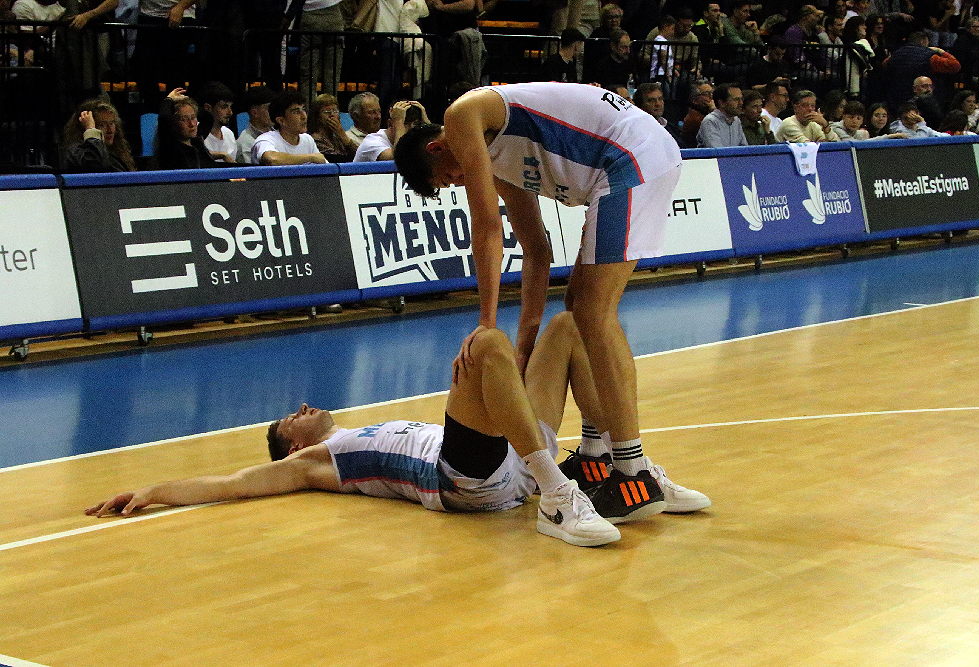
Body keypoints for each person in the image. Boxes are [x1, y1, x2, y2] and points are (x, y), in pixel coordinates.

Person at [84, 314, 684, 547]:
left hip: (508, 460)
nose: (301, 406)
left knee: (577, 323)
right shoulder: (317, 462)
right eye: (291, 417)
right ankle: (561, 494)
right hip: (463, 479)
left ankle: (605, 465)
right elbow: (235, 483)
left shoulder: (358, 431)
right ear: (295, 443)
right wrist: (155, 490)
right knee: (486, 343)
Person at [393, 82, 711, 522]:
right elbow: (537, 249)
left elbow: (486, 229)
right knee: (577, 307)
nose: (460, 180)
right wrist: (523, 343)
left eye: (449, 177)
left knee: (594, 315)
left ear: (437, 147)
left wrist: (487, 324)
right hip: (629, 159)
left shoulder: (461, 116)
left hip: (630, 157)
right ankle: (596, 455)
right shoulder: (496, 157)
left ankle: (634, 471)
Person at [883, 31, 960, 111]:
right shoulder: (930, 56)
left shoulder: (896, 54)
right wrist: (940, 51)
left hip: (896, 97)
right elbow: (955, 66)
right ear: (924, 41)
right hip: (922, 101)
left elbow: (884, 65)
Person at [250, 91, 327, 165]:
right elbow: (272, 159)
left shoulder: (307, 139)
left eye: (303, 109)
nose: (304, 116)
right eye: (296, 111)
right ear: (281, 120)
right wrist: (310, 157)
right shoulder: (266, 139)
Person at [60, 98, 136, 173]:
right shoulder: (77, 152)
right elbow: (95, 166)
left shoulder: (115, 153)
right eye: (102, 125)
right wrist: (91, 131)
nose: (110, 130)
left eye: (112, 123)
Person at [154, 88, 219, 170]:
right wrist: (169, 99)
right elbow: (164, 118)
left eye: (193, 118)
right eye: (184, 119)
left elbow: (208, 118)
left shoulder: (197, 142)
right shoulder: (170, 147)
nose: (192, 124)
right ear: (173, 123)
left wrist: (187, 101)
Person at [354, 100, 429, 161]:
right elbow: (399, 159)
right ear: (390, 124)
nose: (412, 129)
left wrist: (427, 124)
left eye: (416, 124)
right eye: (405, 123)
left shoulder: (414, 143)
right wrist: (399, 121)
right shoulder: (372, 142)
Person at [697, 82, 749, 147]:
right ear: (721, 103)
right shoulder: (710, 121)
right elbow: (717, 152)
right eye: (736, 99)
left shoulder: (736, 120)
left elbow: (744, 148)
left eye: (741, 99)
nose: (741, 103)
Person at [775, 89, 839, 142]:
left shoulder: (813, 125)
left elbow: (836, 143)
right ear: (795, 108)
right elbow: (807, 147)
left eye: (812, 105)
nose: (810, 109)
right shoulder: (788, 124)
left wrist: (825, 125)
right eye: (805, 105)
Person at [308, 93, 356, 163]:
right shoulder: (315, 140)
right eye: (327, 112)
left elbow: (361, 156)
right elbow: (336, 159)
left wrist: (344, 137)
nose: (332, 115)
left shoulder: (339, 139)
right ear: (317, 117)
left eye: (335, 111)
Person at [197, 81, 237, 163]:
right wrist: (221, 155)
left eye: (230, 107)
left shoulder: (229, 134)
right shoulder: (194, 132)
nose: (230, 112)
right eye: (224, 107)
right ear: (208, 108)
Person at [236, 86, 277, 164]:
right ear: (254, 113)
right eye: (269, 108)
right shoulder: (245, 142)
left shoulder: (278, 133)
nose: (273, 112)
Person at [681, 78, 715, 147]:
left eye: (712, 93)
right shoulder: (695, 119)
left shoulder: (703, 114)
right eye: (706, 94)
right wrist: (713, 112)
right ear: (694, 100)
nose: (711, 97)